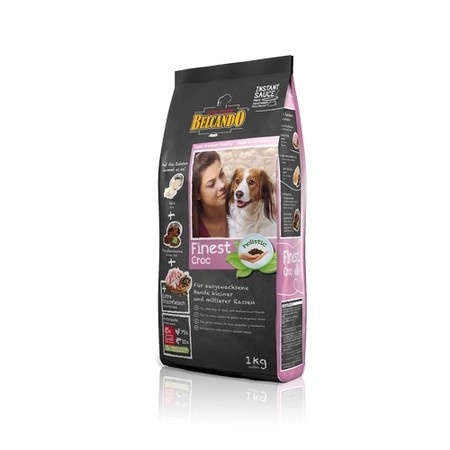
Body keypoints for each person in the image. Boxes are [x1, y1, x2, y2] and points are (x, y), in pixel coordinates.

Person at [192, 151, 228, 237]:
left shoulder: (242, 208)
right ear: (197, 194)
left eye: (221, 174)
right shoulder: (192, 230)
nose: (222, 185)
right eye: (211, 184)